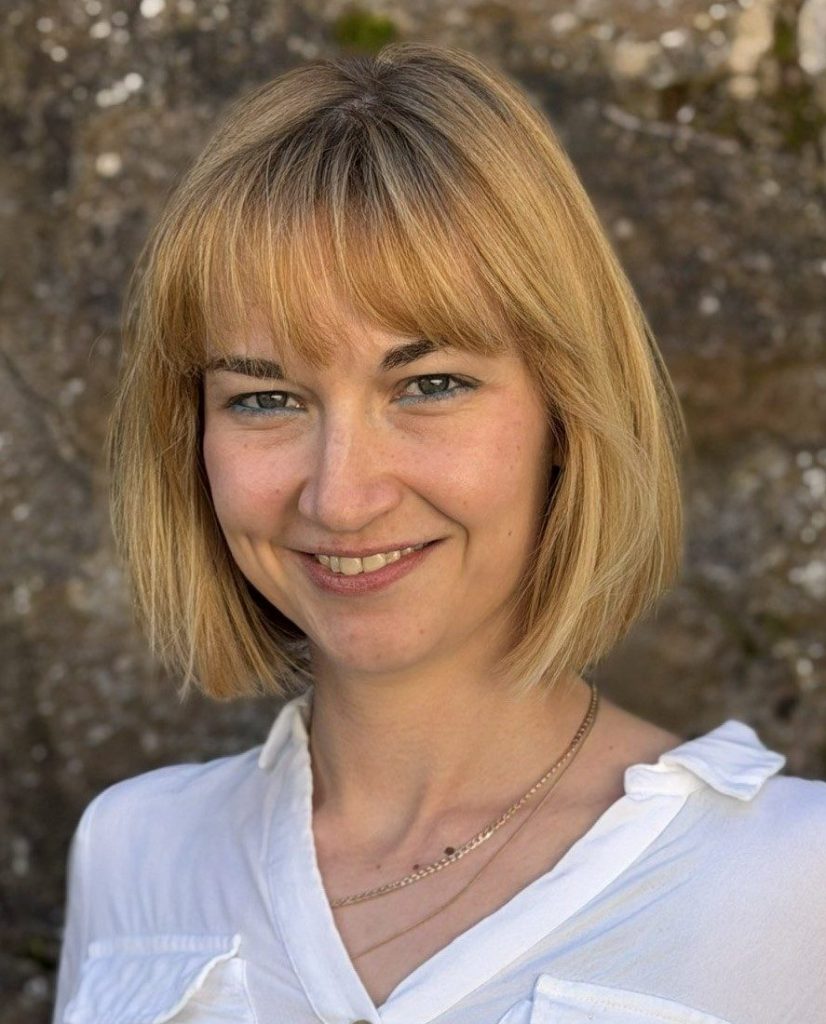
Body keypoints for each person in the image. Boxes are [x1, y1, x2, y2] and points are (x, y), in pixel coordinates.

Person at [52, 42, 825, 1024]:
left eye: (428, 384)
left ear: (566, 414)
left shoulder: (795, 885)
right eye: (266, 399)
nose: (341, 497)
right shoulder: (134, 855)